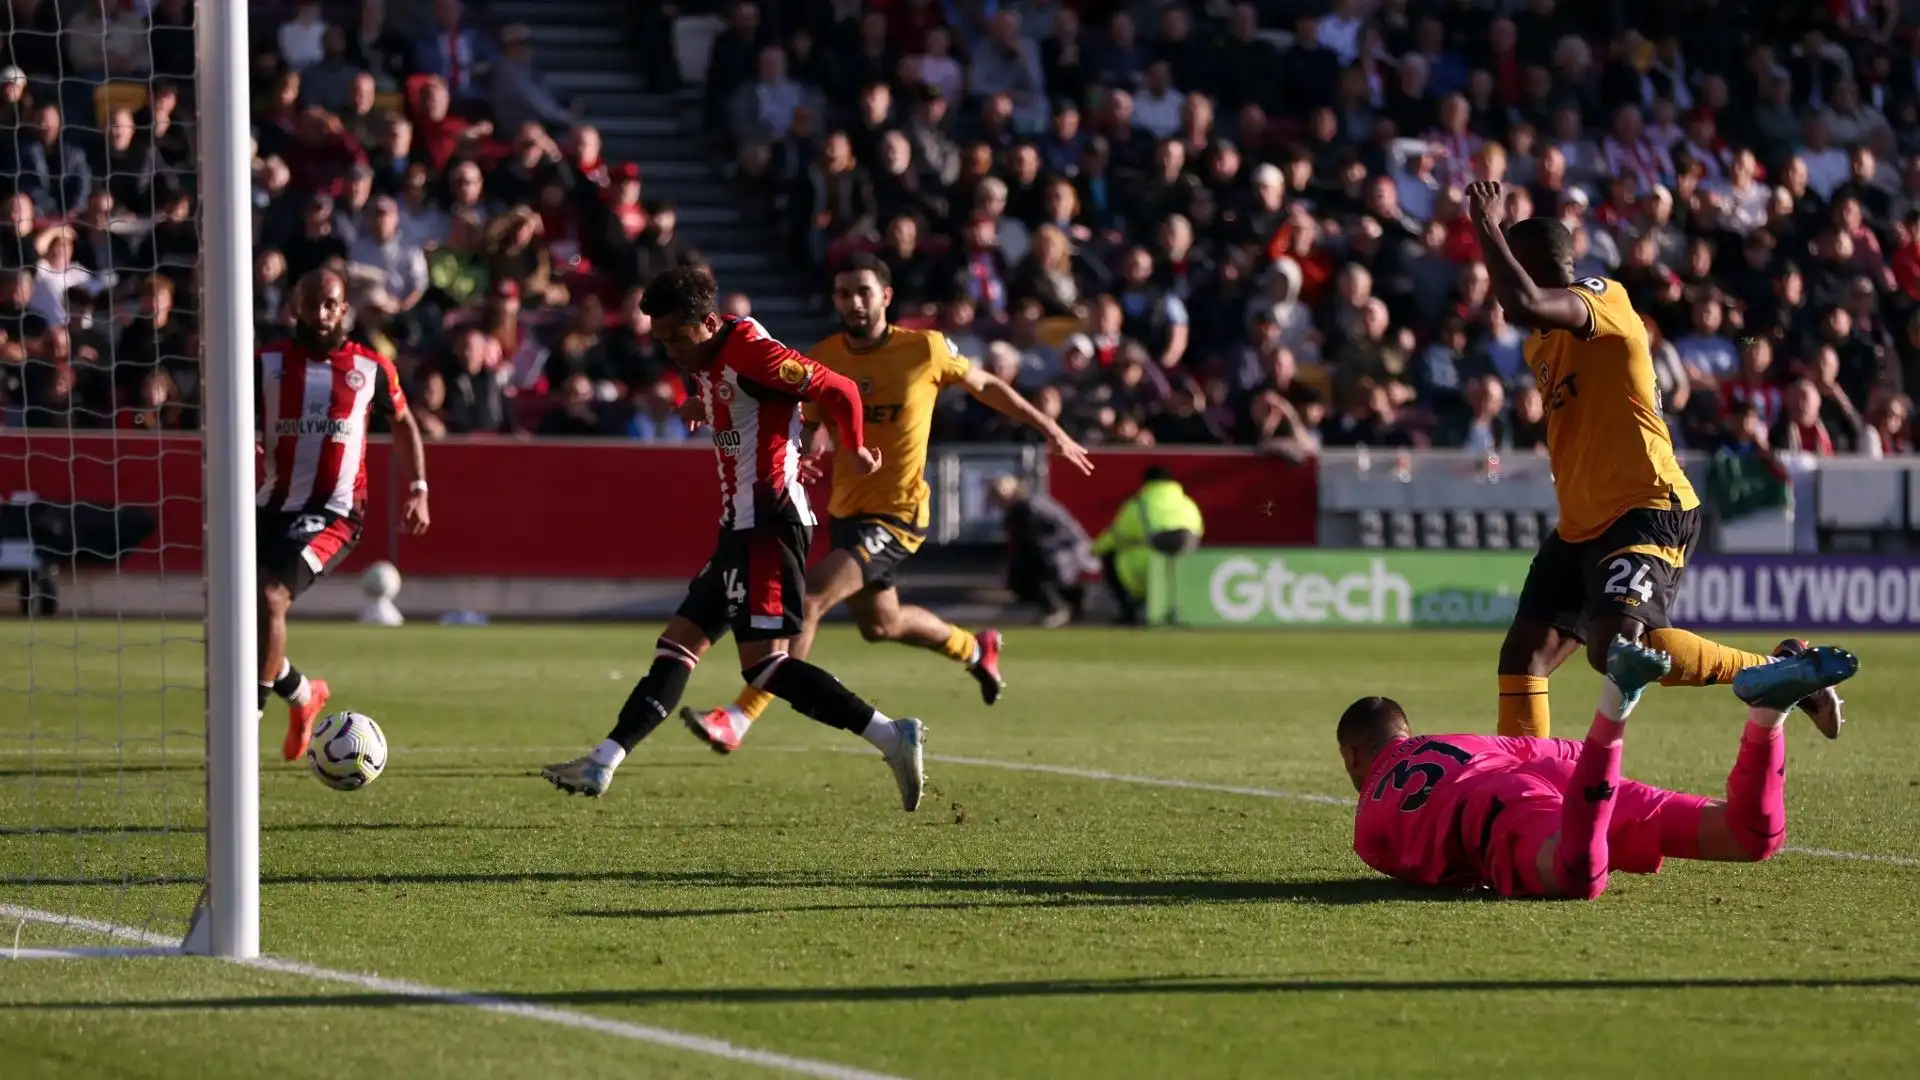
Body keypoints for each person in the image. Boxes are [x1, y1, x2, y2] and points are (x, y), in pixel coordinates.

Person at [1464, 180, 1844, 741]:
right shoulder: (1539, 343)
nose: (1498, 289)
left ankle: (1784, 673)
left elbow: (1520, 300)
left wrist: (1487, 225)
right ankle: (1529, 793)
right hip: (1579, 527)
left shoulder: (1603, 297)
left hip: (1646, 503)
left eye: (1505, 265)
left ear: (1531, 265)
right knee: (1524, 655)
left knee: (1619, 648)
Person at [541, 266, 926, 809]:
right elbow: (745, 401)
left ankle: (891, 735)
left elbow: (836, 387)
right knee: (678, 644)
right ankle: (602, 763)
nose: (672, 349)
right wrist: (706, 405)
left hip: (767, 524)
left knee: (766, 665)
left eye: (678, 336)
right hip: (738, 527)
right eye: (663, 338)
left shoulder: (749, 349)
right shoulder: (707, 357)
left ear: (709, 321)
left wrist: (856, 447)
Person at [681, 254, 1094, 752]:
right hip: (847, 510)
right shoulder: (826, 353)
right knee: (882, 624)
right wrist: (811, 444)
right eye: (843, 294)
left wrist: (1048, 427)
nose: (854, 302)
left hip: (898, 513)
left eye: (863, 291)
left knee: (810, 598)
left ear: (886, 297)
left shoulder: (924, 349)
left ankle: (739, 718)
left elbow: (984, 385)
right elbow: (810, 417)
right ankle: (974, 646)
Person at [1337, 638, 1860, 899]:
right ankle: (1768, 713)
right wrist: (1600, 783)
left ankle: (1617, 697)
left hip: (1497, 810)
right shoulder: (1450, 741)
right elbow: (1547, 753)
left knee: (1578, 874)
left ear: (1352, 757)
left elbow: (1434, 873)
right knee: (1750, 837)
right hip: (1559, 775)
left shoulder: (1367, 825)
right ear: (1405, 732)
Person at [256, 268, 431, 760]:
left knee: (272, 599)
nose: (320, 314)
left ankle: (246, 728)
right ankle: (304, 695)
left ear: (343, 308)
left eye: (329, 304)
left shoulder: (371, 368)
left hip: (334, 512)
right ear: (294, 306)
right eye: (311, 303)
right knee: (239, 619)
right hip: (267, 506)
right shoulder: (263, 365)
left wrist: (418, 487)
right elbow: (233, 421)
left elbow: (403, 423)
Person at [1092, 465, 1203, 625]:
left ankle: (1127, 612)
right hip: (1185, 564)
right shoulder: (1188, 504)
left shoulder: (1139, 505)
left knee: (1109, 555)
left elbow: (1115, 536)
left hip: (1146, 564)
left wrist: (1094, 550)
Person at [989, 475, 1098, 628]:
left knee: (1020, 575)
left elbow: (1031, 541)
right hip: (1061, 549)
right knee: (1027, 571)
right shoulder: (1029, 504)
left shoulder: (1026, 509)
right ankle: (1074, 600)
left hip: (1062, 550)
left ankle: (1056, 608)